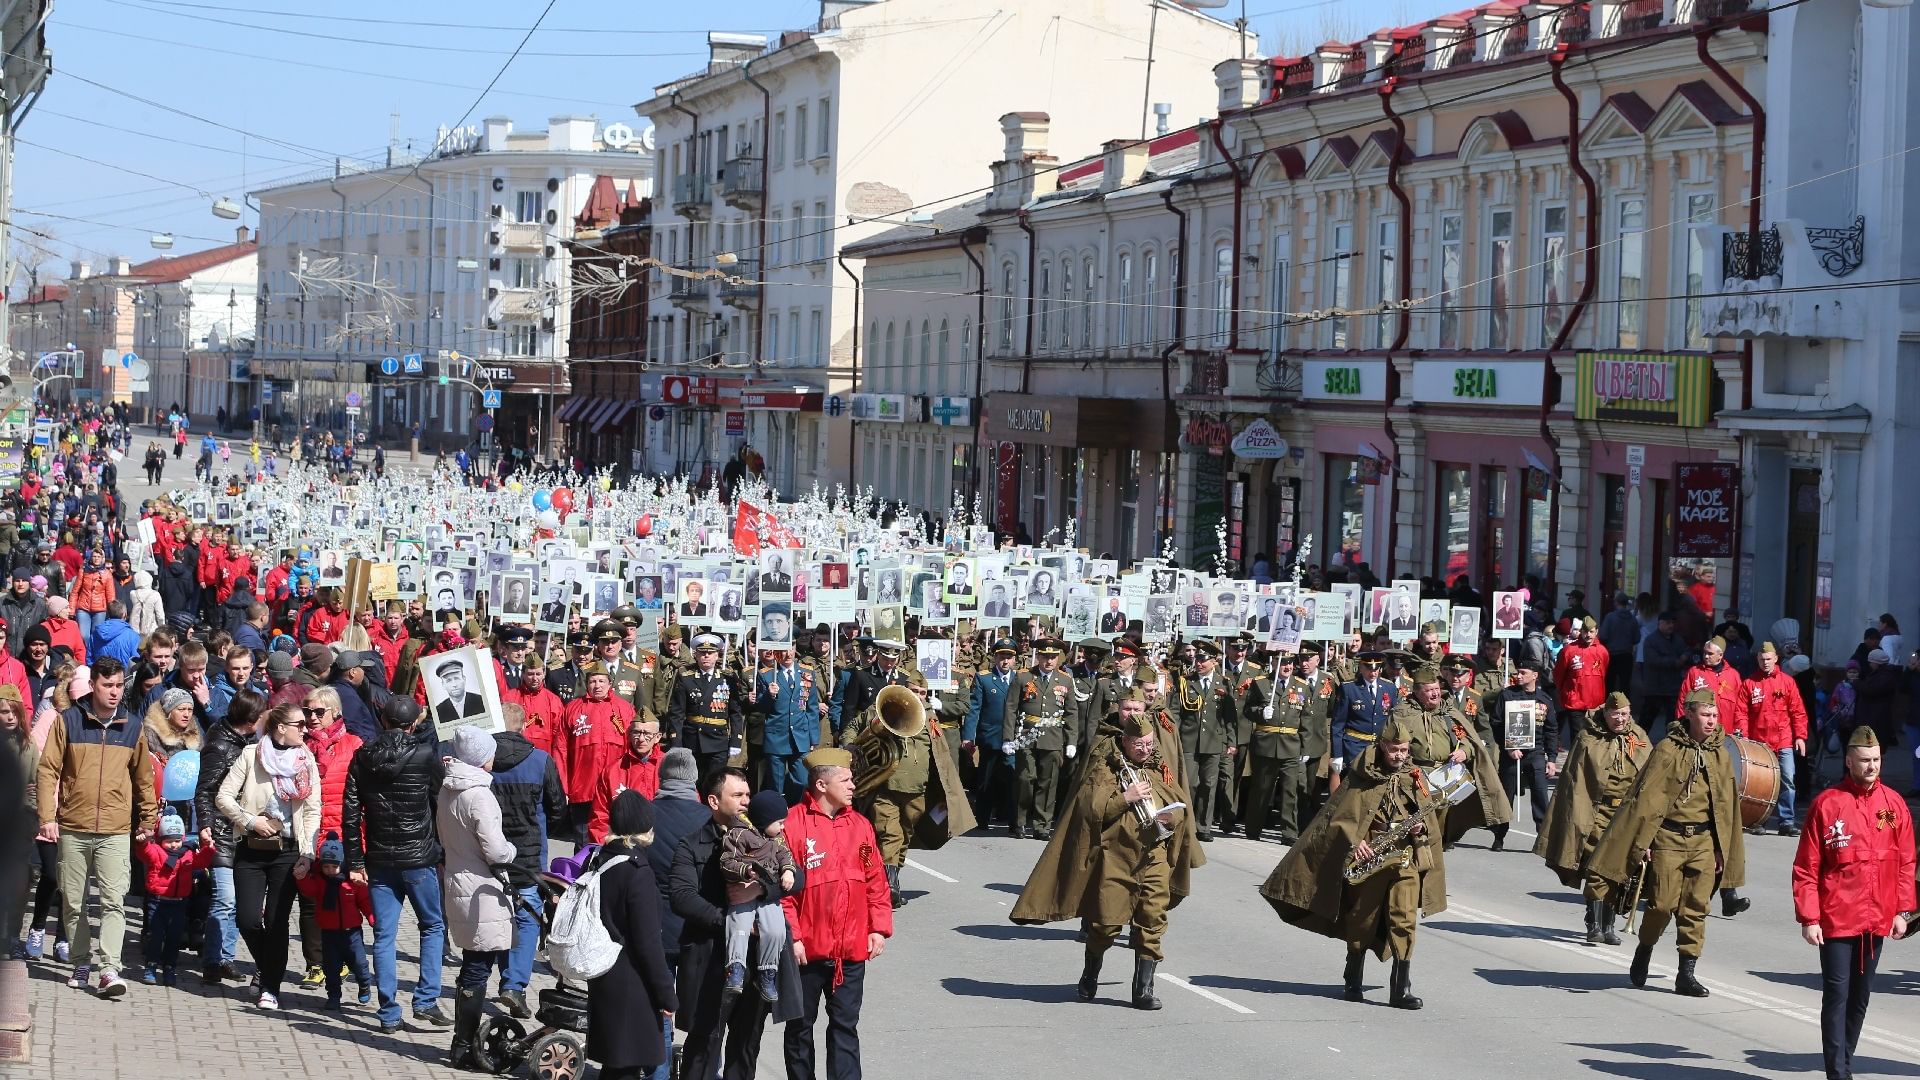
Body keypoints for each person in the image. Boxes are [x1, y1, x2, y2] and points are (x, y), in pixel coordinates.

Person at [1012, 692, 1200, 1010]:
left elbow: (1178, 800)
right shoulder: (1107, 766)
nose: (1146, 749)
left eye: (1150, 743)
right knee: (1105, 925)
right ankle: (1090, 974)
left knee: (1152, 919)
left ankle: (1143, 990)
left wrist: (1173, 814)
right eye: (1139, 745)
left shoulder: (1158, 766)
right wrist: (1123, 799)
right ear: (1125, 742)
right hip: (1117, 857)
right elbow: (1088, 811)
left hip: (1154, 856)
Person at [1260, 719, 1445, 1009]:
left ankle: (1400, 988)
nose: (1399, 755)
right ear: (1383, 746)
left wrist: (1421, 828)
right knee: (1363, 919)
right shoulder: (1363, 775)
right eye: (1395, 749)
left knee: (1404, 920)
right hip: (1372, 857)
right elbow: (1340, 815)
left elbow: (1427, 816)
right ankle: (1353, 976)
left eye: (1404, 750)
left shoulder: (1413, 774)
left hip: (1404, 857)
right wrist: (1355, 841)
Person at [1588, 689, 1746, 996]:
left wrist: (1719, 847)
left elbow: (1726, 809)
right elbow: (1646, 800)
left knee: (1696, 908)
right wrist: (1643, 841)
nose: (1711, 721)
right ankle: (1645, 948)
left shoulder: (1720, 755)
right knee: (1661, 905)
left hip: (1702, 840)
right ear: (1689, 714)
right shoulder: (1667, 749)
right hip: (1667, 839)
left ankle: (1686, 974)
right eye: (1705, 715)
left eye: (1714, 716)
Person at [1791, 727, 1916, 1080]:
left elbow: (1906, 861)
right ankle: (1838, 1073)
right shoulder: (1827, 804)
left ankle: (1843, 1060)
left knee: (1860, 999)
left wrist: (1902, 911)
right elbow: (1807, 866)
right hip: (1836, 918)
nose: (1872, 766)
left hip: (1876, 919)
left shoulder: (1893, 805)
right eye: (1865, 760)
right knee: (1837, 994)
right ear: (1849, 762)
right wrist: (1809, 917)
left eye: (1876, 760)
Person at [670, 769, 805, 1080]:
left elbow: (796, 876)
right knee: (704, 1046)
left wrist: (764, 889)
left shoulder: (765, 836)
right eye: (738, 795)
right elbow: (681, 896)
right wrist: (731, 924)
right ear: (714, 801)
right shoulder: (693, 844)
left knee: (746, 1046)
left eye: (747, 795)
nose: (746, 801)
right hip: (710, 960)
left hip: (757, 960)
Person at [36, 656, 158, 998]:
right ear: (93, 686)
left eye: (120, 685)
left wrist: (148, 819)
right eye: (108, 685)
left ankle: (109, 969)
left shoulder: (133, 727)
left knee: (113, 902)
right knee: (74, 902)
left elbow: (144, 779)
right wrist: (47, 817)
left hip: (116, 829)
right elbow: (48, 771)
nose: (115, 692)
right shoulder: (69, 721)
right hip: (73, 825)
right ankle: (80, 961)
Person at [343, 696, 452, 1033]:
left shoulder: (362, 757)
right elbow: (440, 801)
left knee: (385, 936)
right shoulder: (424, 755)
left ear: (384, 720)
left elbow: (350, 815)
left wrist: (355, 860)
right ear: (414, 723)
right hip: (418, 856)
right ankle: (426, 999)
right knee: (432, 926)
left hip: (379, 858)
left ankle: (389, 1011)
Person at [781, 748, 889, 1077]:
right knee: (799, 1029)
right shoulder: (792, 825)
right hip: (807, 952)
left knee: (845, 1027)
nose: (853, 785)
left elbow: (875, 881)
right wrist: (793, 938)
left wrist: (878, 928)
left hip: (851, 949)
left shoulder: (860, 825)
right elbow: (782, 894)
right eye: (845, 779)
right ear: (822, 784)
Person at [215, 702, 322, 1009]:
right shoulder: (251, 755)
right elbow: (223, 796)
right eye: (298, 724)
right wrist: (251, 821)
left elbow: (313, 809)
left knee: (276, 921)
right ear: (280, 729)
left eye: (305, 724)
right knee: (247, 919)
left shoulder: (306, 760)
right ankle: (268, 966)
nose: (305, 728)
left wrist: (307, 852)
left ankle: (270, 988)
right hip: (252, 847)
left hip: (288, 851)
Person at [1534, 692, 1651, 945]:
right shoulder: (1589, 737)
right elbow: (1574, 780)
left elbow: (1650, 775)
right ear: (1605, 714)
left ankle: (1609, 925)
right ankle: (1594, 923)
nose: (1620, 719)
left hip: (1625, 815)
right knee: (1596, 866)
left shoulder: (1639, 737)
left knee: (1617, 869)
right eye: (1615, 714)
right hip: (1595, 811)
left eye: (1624, 714)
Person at [439, 725, 518, 1070]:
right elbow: (496, 849)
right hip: (481, 888)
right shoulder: (479, 795)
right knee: (477, 967)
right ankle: (466, 1044)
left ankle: (464, 1040)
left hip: (459, 880)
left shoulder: (449, 789)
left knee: (473, 962)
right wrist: (512, 850)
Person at [587, 790, 679, 1080]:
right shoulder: (637, 871)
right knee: (625, 1066)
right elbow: (648, 944)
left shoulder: (601, 860)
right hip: (632, 986)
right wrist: (667, 995)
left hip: (604, 975)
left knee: (615, 1066)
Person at [487, 702, 569, 1018]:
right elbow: (558, 806)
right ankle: (514, 985)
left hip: (490, 851)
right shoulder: (540, 760)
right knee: (527, 917)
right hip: (530, 852)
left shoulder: (484, 761)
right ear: (523, 727)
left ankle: (504, 980)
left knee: (500, 916)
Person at [720, 791, 796, 1001]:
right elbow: (727, 862)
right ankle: (735, 969)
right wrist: (746, 870)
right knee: (739, 927)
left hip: (767, 890)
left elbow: (785, 855)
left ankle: (767, 973)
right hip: (742, 888)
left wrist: (788, 870)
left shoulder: (777, 838)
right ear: (764, 820)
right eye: (780, 822)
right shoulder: (738, 834)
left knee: (776, 930)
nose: (783, 827)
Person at [291, 833, 374, 1010]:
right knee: (331, 968)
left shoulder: (351, 883)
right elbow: (309, 890)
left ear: (342, 864)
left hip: (352, 932)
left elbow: (365, 902)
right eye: (326, 866)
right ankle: (334, 996)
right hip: (329, 933)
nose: (329, 870)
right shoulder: (320, 881)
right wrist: (302, 878)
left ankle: (364, 983)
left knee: (359, 963)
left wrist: (373, 918)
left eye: (334, 866)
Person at [1006, 638, 1078, 841]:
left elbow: (1071, 712)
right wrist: (1008, 738)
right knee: (1025, 779)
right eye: (1045, 656)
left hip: (1053, 736)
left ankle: (1042, 825)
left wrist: (1071, 740)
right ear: (1038, 656)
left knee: (1048, 783)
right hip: (1027, 735)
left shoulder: (1064, 680)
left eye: (1053, 657)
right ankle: (1020, 821)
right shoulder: (1024, 677)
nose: (1049, 661)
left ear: (1058, 658)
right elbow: (1011, 708)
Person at [135, 813, 214, 986]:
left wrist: (208, 848)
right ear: (160, 839)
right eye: (169, 840)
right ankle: (151, 966)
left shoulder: (187, 853)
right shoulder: (156, 851)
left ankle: (170, 967)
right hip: (157, 902)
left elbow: (201, 863)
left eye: (177, 840)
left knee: (174, 938)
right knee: (155, 937)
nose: (174, 844)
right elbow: (144, 852)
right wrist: (142, 841)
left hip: (179, 903)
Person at [1746, 641, 1810, 836]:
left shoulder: (1787, 682)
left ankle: (1786, 822)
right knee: (1761, 784)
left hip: (1783, 740)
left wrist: (1800, 737)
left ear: (1776, 659)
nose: (1765, 663)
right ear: (1757, 660)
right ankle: (1758, 820)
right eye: (1761, 659)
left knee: (1788, 780)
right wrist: (1744, 739)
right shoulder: (1749, 683)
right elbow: (1742, 713)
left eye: (1768, 659)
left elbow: (1798, 712)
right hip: (1759, 742)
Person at [667, 634, 743, 780]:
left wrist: (735, 741)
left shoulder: (728, 678)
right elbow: (677, 713)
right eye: (702, 652)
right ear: (696, 655)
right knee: (692, 782)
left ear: (717, 655)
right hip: (693, 739)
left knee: (714, 783)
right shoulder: (686, 678)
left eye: (710, 653)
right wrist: (676, 741)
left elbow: (735, 713)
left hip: (718, 741)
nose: (706, 656)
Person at [755, 643, 822, 803]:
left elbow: (811, 707)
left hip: (800, 737)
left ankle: (798, 814)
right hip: (777, 738)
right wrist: (768, 695)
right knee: (776, 785)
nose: (787, 654)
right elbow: (760, 707)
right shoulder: (767, 675)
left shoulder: (807, 673)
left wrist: (813, 738)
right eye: (783, 650)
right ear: (776, 651)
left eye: (791, 649)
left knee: (803, 782)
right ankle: (778, 816)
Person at [590, 718, 665, 843]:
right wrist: (604, 848)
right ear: (629, 735)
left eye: (647, 734)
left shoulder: (669, 765)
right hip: (625, 844)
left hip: (662, 842)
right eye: (636, 733)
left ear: (657, 737)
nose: (641, 739)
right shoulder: (612, 770)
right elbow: (600, 816)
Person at [432, 655, 488, 726]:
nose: (454, 684)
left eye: (456, 678)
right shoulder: (438, 711)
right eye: (448, 680)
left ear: (464, 679)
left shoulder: (481, 701)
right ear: (443, 685)